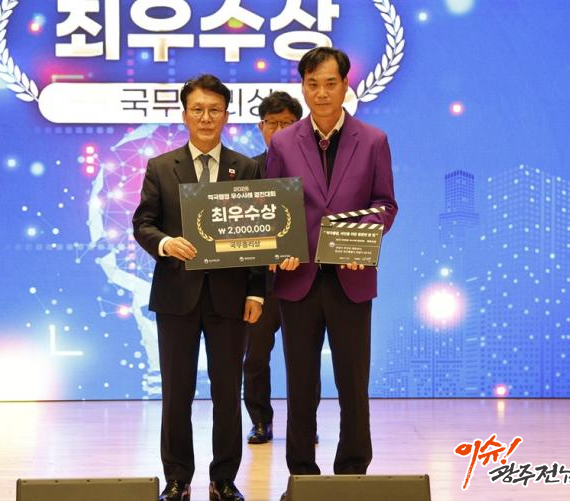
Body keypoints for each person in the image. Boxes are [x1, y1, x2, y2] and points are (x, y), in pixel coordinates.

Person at [265, 47, 398, 483]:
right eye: (312, 84)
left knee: (353, 384)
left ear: (345, 86)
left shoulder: (373, 140)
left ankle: (353, 474)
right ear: (302, 88)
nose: (321, 93)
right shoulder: (283, 142)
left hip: (350, 280)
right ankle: (302, 477)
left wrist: (363, 238)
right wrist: (277, 247)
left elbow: (385, 204)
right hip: (298, 279)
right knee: (301, 386)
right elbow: (273, 206)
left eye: (330, 83)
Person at [132, 74, 264, 501]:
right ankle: (177, 479)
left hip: (231, 299)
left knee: (228, 394)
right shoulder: (161, 166)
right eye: (198, 110)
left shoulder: (246, 168)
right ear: (185, 114)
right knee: (176, 393)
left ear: (226, 115)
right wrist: (165, 244)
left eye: (214, 110)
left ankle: (223, 480)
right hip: (177, 296)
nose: (206, 118)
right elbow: (143, 223)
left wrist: (256, 292)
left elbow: (258, 236)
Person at [243, 92, 304, 445]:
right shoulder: (247, 170)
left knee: (303, 359)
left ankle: (304, 424)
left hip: (302, 277)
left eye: (287, 123)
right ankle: (260, 422)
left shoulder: (313, 169)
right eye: (272, 123)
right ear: (260, 127)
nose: (279, 130)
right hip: (258, 283)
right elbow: (235, 227)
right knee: (254, 357)